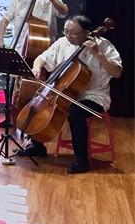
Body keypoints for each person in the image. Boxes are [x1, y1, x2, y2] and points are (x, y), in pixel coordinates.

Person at [16, 15, 122, 174]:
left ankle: (82, 159)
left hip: (94, 95)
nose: (67, 36)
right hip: (64, 92)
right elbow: (41, 58)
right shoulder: (62, 43)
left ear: (86, 33)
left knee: (75, 112)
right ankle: (37, 145)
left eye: (73, 33)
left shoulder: (104, 46)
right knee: (32, 99)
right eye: (65, 31)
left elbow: (117, 72)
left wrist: (98, 55)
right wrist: (37, 68)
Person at [0, 0, 68, 54]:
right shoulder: (18, 0)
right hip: (19, 47)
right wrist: (0, 40)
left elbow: (64, 12)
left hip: (44, 48)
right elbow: (4, 21)